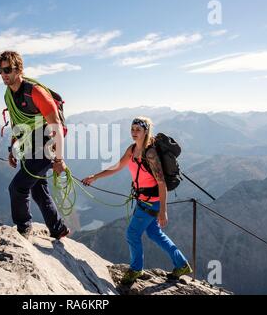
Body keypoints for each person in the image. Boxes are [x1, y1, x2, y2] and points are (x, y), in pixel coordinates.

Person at [82, 116, 192, 284]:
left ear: (145, 131)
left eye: (137, 130)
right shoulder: (132, 149)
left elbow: (161, 184)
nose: (134, 132)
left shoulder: (151, 154)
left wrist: (163, 211)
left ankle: (136, 270)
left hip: (151, 201)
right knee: (154, 233)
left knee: (132, 234)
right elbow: (117, 166)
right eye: (132, 129)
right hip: (144, 199)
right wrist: (95, 177)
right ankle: (181, 264)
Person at [0, 51, 70, 240]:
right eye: (0, 70)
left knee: (17, 188)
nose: (3, 74)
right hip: (29, 146)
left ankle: (23, 228)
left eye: (7, 70)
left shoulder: (35, 92)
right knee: (38, 189)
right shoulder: (8, 94)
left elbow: (57, 128)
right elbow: (16, 123)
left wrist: (59, 159)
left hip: (45, 146)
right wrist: (12, 149)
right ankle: (58, 228)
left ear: (19, 69)